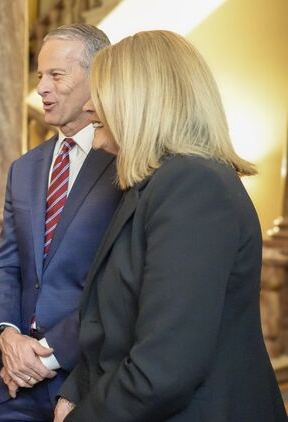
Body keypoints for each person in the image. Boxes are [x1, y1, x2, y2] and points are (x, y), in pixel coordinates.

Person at [55, 30, 287, 422]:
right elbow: (111, 324)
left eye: (102, 93)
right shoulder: (150, 185)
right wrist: (74, 392)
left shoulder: (193, 186)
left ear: (142, 99)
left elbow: (164, 369)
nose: (89, 106)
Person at [0, 24, 120, 421]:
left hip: (86, 375)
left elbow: (119, 284)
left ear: (97, 77)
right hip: (12, 375)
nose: (41, 87)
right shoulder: (24, 167)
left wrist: (48, 355)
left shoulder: (125, 163)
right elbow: (8, 264)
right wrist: (6, 334)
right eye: (40, 75)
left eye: (56, 75)